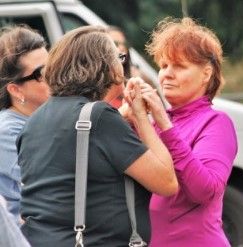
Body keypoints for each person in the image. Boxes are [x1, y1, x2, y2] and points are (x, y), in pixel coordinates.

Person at [16, 26, 178, 247]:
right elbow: (167, 182)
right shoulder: (100, 117)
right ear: (105, 66)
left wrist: (123, 116)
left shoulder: (33, 121)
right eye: (118, 57)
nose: (122, 63)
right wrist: (141, 116)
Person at [124, 17, 238, 247]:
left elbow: (205, 191)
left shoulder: (216, 121)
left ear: (206, 74)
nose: (167, 74)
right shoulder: (157, 122)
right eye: (164, 65)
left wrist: (164, 124)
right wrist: (128, 119)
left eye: (179, 66)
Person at [0, 25, 50, 224]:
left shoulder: (44, 119)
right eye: (41, 73)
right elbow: (51, 187)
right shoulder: (7, 132)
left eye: (53, 66)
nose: (54, 76)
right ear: (16, 90)